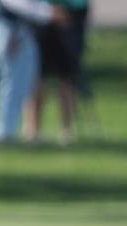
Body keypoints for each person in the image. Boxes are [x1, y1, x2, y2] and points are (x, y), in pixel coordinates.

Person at [0, 0, 69, 144]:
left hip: (15, 30)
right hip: (8, 30)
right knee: (11, 84)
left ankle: (6, 130)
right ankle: (4, 131)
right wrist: (48, 12)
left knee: (21, 84)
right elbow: (16, 3)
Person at [24, 0, 89, 144]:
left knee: (67, 75)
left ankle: (67, 129)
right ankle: (32, 129)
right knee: (36, 73)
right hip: (40, 11)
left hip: (72, 9)